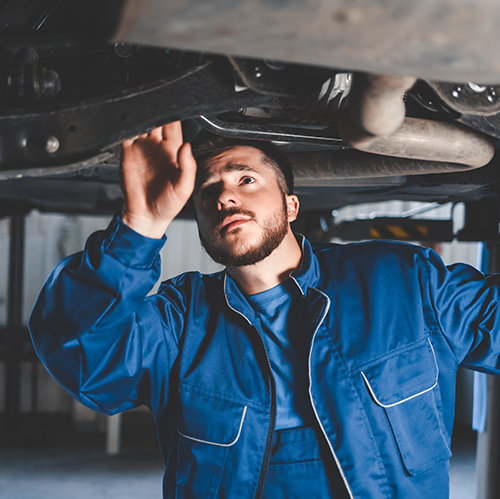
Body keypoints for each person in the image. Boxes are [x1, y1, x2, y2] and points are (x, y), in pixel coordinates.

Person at [29, 121, 500, 499]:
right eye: (208, 190)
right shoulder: (179, 320)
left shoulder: (402, 282)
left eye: (246, 179)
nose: (225, 197)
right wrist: (140, 226)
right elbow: (79, 349)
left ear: (291, 205)